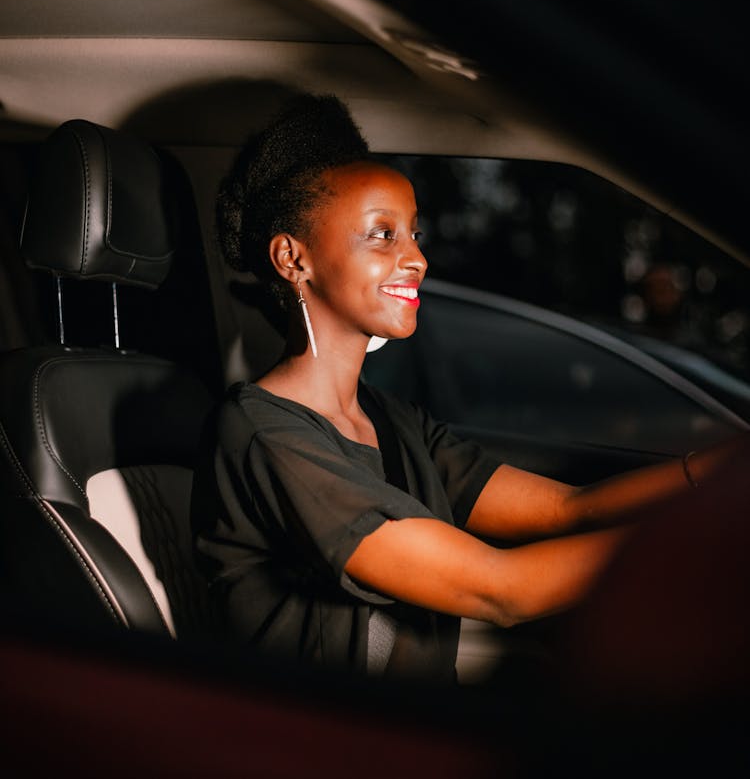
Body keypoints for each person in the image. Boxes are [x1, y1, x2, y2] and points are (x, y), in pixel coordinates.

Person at [191, 94, 747, 683]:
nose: (417, 259)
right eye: (383, 235)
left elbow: (567, 510)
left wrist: (716, 472)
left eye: (413, 234)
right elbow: (500, 591)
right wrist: (704, 540)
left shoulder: (392, 420)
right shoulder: (263, 435)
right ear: (291, 258)